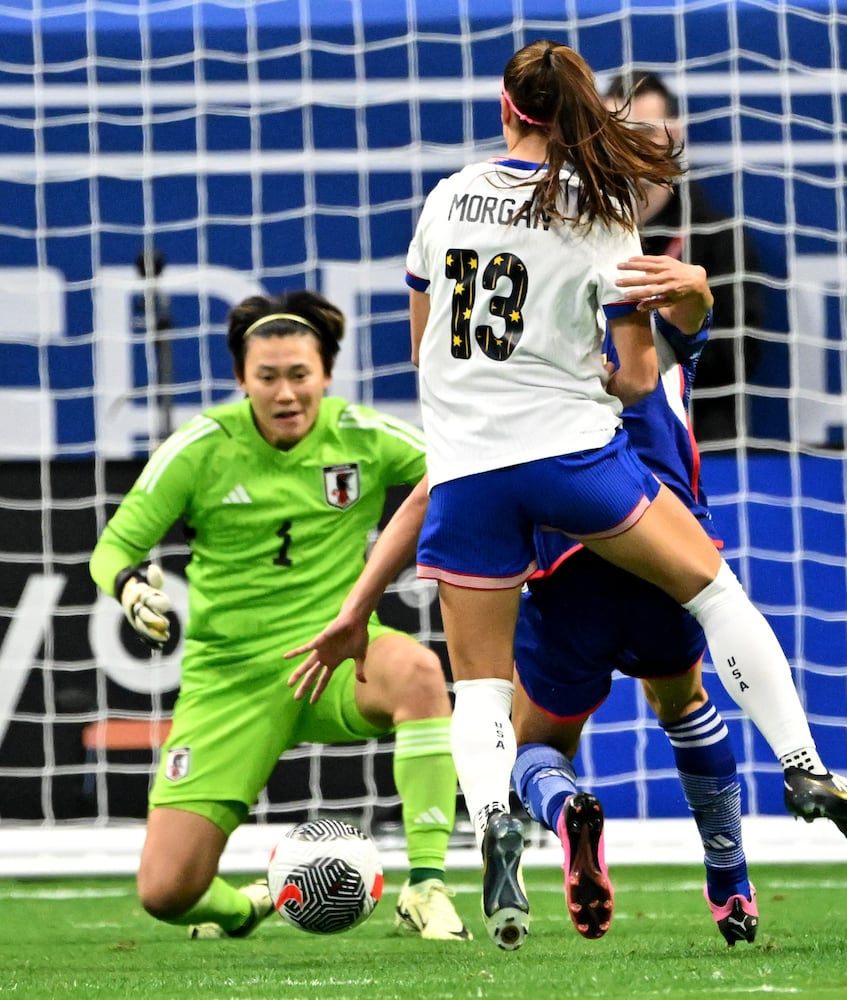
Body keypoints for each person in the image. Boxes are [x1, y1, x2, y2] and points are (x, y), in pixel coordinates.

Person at [290, 40, 847, 953]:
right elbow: (633, 380)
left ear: (505, 108)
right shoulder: (600, 212)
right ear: (579, 109)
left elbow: (427, 346)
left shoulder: (444, 198)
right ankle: (803, 765)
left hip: (469, 472)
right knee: (713, 591)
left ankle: (495, 828)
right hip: (571, 461)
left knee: (479, 691)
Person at [89, 289, 471, 943]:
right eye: (268, 377)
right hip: (230, 680)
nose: (286, 393)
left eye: (300, 375)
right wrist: (128, 589)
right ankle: (246, 910)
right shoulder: (200, 447)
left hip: (333, 658)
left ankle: (425, 884)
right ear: (242, 379)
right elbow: (114, 547)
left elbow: (465, 469)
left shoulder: (364, 435)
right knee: (166, 891)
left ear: (324, 374)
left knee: (417, 670)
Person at [511, 256, 757, 947]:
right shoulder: (648, 336)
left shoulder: (527, 360)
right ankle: (729, 879)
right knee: (681, 702)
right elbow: (690, 316)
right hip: (666, 543)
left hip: (567, 554)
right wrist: (700, 289)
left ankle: (566, 811)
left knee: (533, 743)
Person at [604, 72, 762, 443]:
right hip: (595, 434)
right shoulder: (574, 233)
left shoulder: (720, 239)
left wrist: (663, 342)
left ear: (673, 136)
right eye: (615, 137)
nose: (629, 153)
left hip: (696, 432)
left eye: (643, 136)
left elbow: (740, 356)